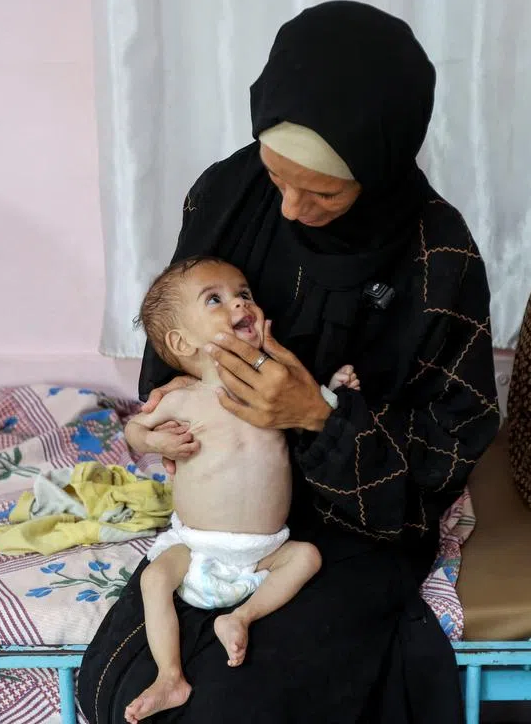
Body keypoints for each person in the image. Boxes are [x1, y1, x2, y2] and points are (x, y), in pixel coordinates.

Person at [78, 0, 500, 723]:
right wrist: (164, 432)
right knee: (116, 687)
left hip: (357, 528)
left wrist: (316, 416)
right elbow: (171, 350)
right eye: (279, 177)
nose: (293, 210)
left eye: (325, 191)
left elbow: (445, 454)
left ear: (382, 163)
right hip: (222, 511)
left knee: (223, 708)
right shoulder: (226, 194)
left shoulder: (439, 256)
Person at [123, 256, 357, 722]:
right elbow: (133, 430)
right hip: (197, 549)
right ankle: (169, 676)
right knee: (153, 579)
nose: (238, 303)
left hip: (264, 552)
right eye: (215, 299)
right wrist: (152, 439)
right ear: (181, 341)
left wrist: (330, 390)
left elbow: (309, 408)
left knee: (307, 557)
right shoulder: (183, 398)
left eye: (243, 293)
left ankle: (242, 617)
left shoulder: (273, 383)